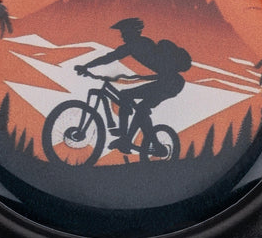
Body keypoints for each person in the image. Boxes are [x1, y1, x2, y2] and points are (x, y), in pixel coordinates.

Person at [74, 18, 185, 154]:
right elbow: (111, 57)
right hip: (167, 82)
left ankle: (125, 139)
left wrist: (86, 66)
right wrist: (87, 66)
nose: (122, 36)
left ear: (134, 32)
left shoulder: (139, 44)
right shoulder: (138, 44)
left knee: (128, 97)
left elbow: (110, 57)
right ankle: (136, 142)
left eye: (124, 32)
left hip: (170, 83)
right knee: (139, 108)